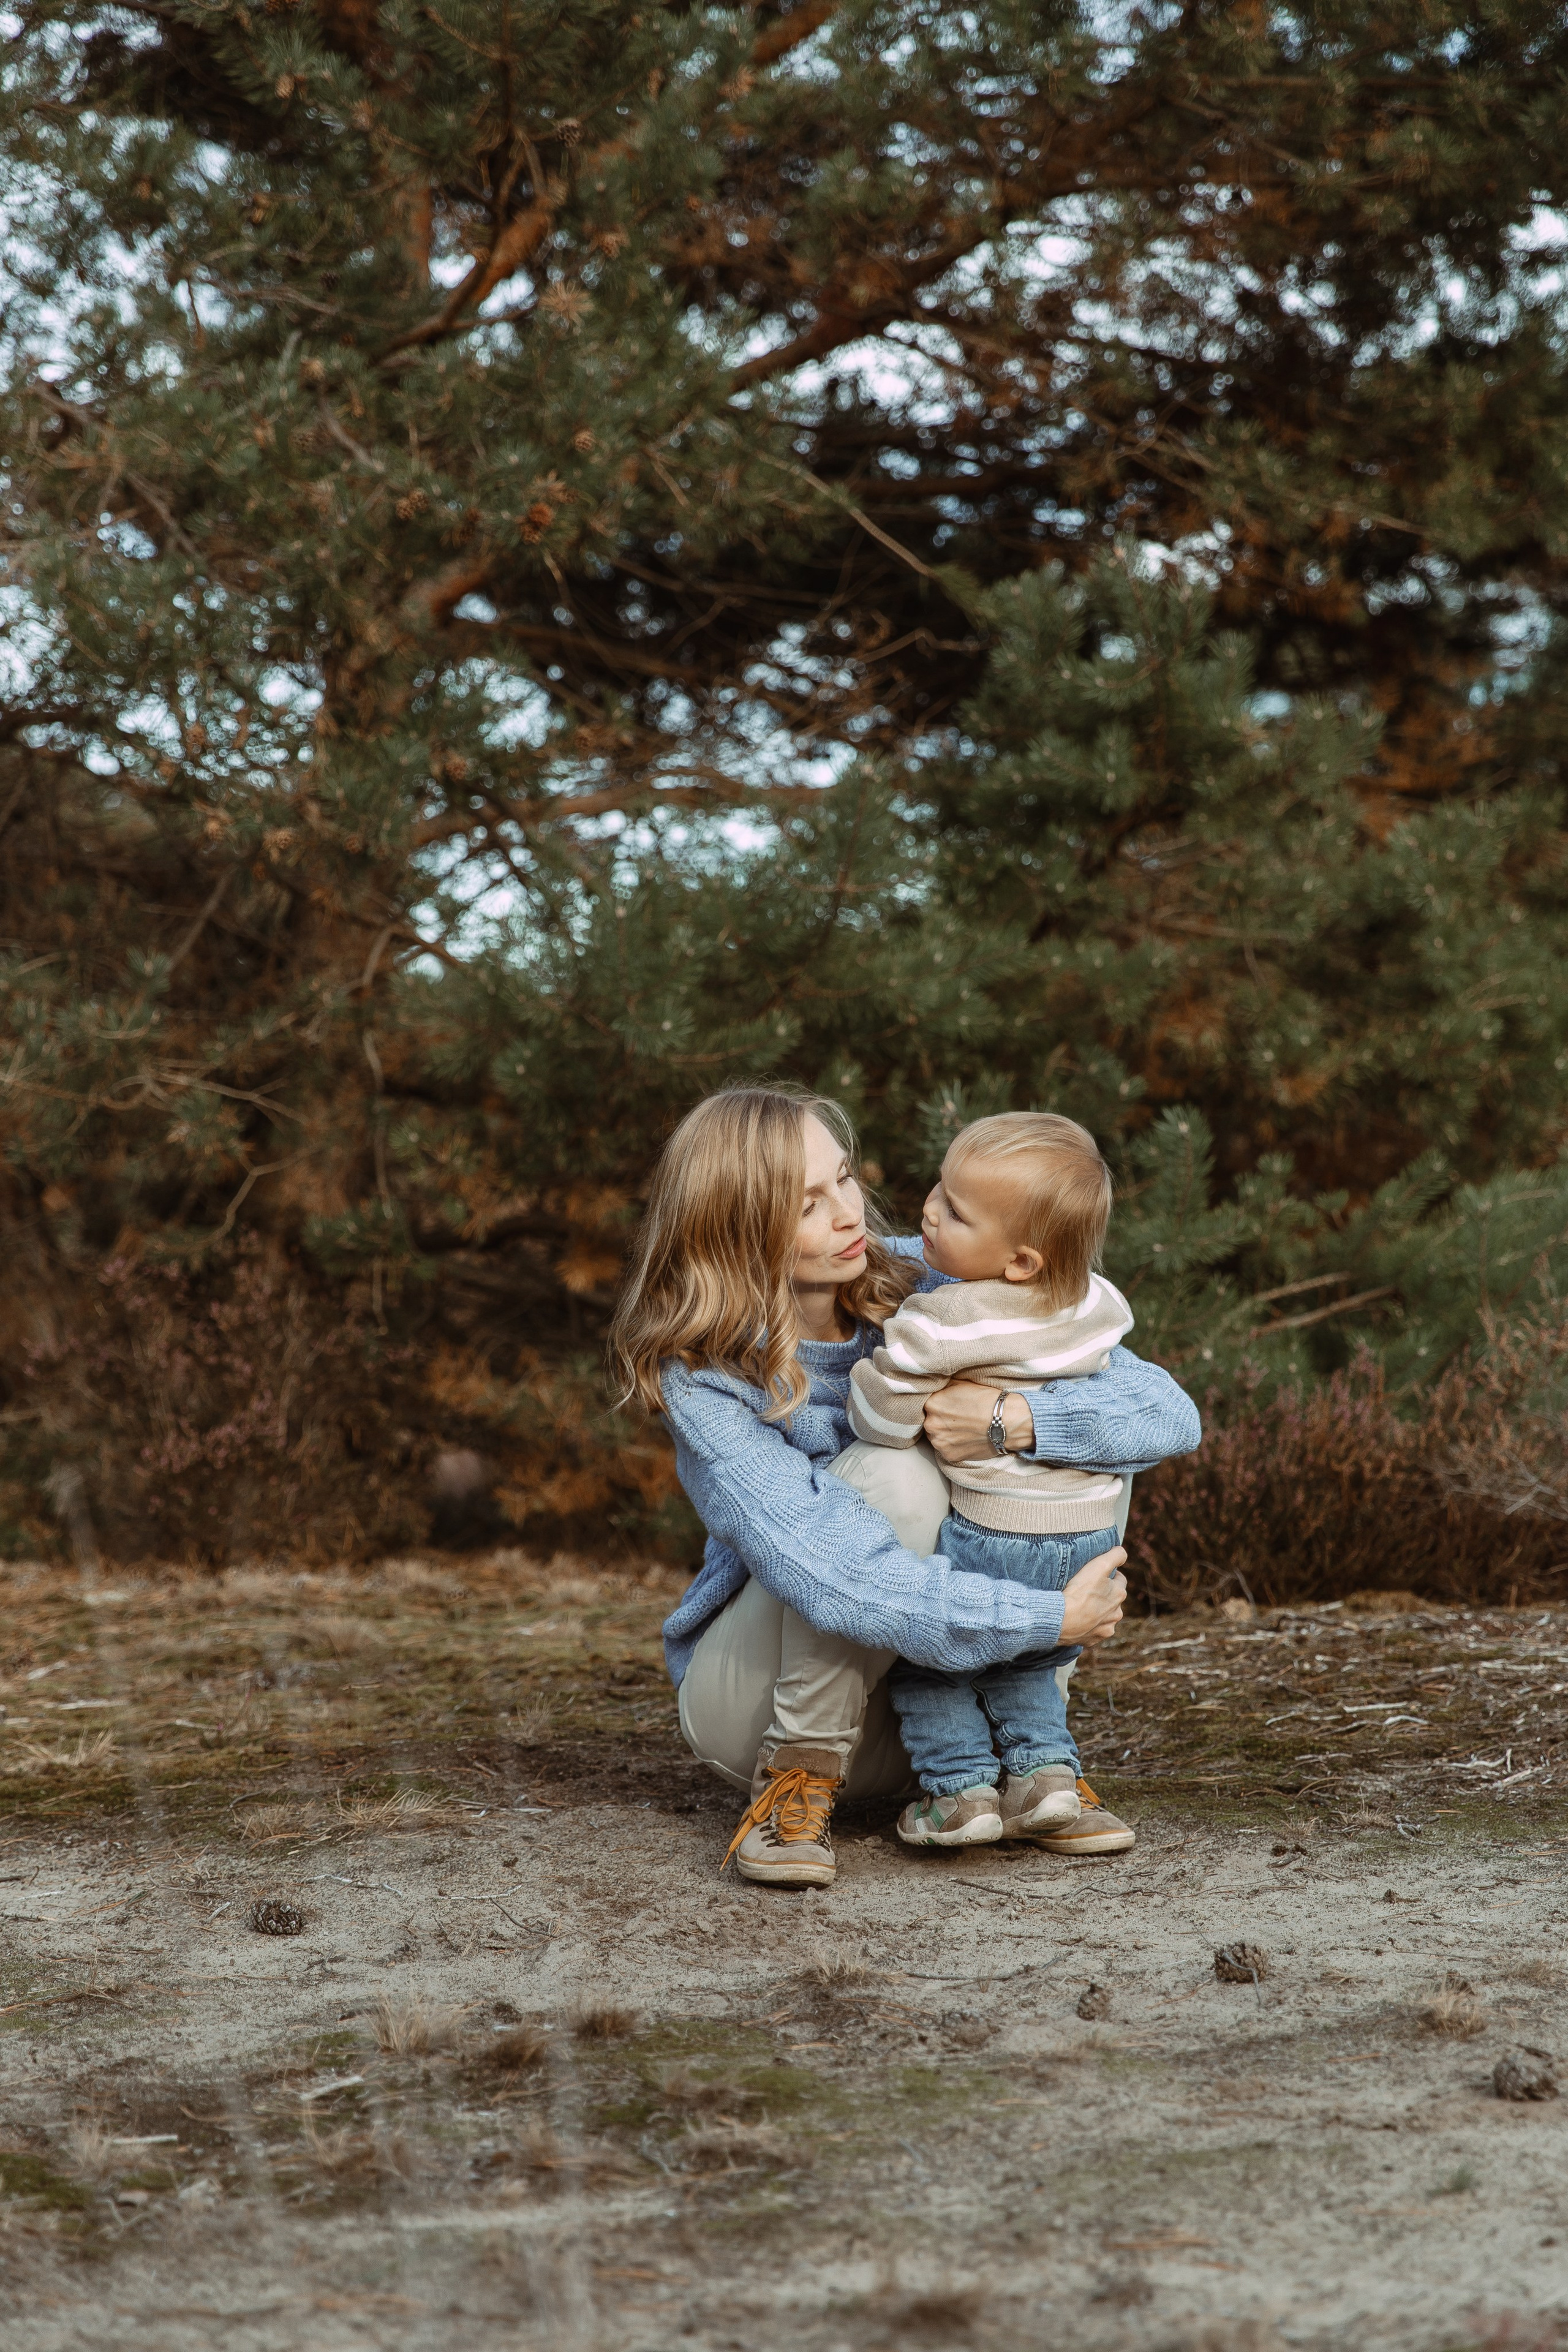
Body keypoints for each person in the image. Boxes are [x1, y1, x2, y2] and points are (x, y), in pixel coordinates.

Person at [608, 1086, 1202, 1889]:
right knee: (899, 1469)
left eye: (845, 1178)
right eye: (808, 1203)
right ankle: (793, 1789)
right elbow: (837, 1573)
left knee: (1076, 1445)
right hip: (753, 1705)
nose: (850, 1213)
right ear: (736, 1227)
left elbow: (1163, 1411)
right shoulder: (706, 1378)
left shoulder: (928, 1282)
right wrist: (1048, 1617)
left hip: (920, 1701)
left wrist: (1012, 1420)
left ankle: (1029, 1770)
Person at [848, 1111, 1133, 1849]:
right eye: (938, 1188)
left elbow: (882, 1421)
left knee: (935, 1666)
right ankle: (1046, 1783)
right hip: (1089, 1530)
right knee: (1032, 1660)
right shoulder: (1097, 1303)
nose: (928, 1211)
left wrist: (876, 1379)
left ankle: (960, 1794)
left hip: (999, 1525)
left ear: (1020, 1263)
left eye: (955, 1210)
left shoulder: (941, 1318)